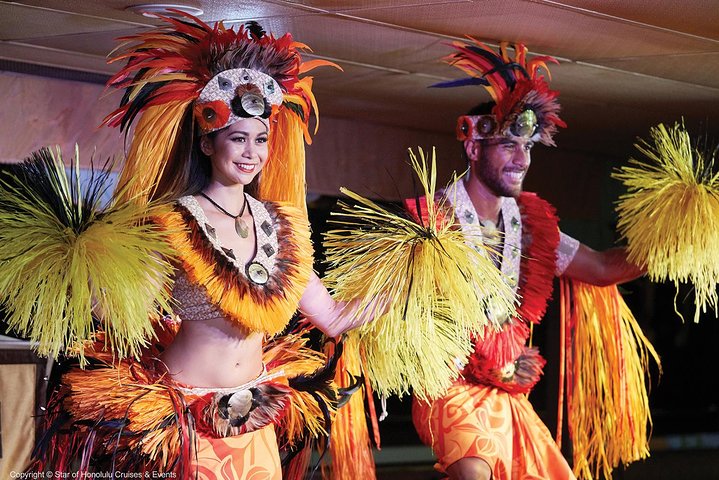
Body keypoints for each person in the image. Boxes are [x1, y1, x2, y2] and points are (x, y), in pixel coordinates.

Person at [18, 13, 372, 479]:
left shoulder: (280, 224)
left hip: (257, 412)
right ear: (208, 144)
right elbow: (122, 315)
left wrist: (409, 285)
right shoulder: (173, 223)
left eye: (261, 140)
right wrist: (79, 264)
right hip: (183, 416)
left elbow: (332, 317)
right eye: (238, 139)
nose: (251, 153)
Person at [409, 41, 657, 480]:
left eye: (528, 146)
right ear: (474, 147)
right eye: (508, 145)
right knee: (475, 471)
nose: (522, 159)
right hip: (447, 389)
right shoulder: (429, 222)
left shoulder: (531, 226)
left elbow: (603, 269)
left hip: (508, 394)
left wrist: (674, 241)